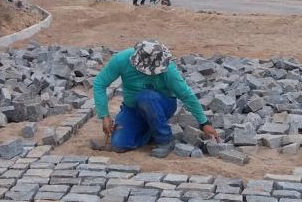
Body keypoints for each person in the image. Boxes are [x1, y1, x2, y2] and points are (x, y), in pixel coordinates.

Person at [91, 40, 219, 154]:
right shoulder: (122, 60)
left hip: (162, 105)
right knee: (119, 144)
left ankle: (165, 140)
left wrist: (204, 123)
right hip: (132, 110)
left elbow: (186, 95)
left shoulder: (168, 70)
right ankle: (150, 131)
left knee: (145, 97)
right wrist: (105, 116)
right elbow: (99, 84)